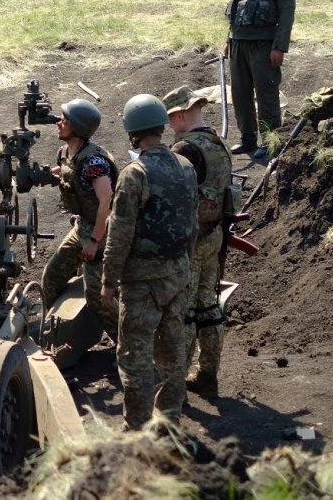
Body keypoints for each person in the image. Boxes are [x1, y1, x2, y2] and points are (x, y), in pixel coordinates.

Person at [100, 94, 198, 430]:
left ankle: (138, 430)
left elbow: (119, 232)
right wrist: (187, 266)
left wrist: (109, 281)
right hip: (178, 274)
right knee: (174, 353)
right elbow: (192, 223)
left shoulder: (134, 173)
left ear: (132, 132)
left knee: (135, 358)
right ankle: (169, 422)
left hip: (141, 282)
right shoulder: (185, 166)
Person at [163, 85, 233, 398]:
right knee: (209, 305)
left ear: (178, 115)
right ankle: (208, 374)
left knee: (184, 310)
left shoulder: (185, 149)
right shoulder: (219, 143)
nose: (168, 126)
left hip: (190, 239)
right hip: (215, 233)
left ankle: (175, 380)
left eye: (169, 119)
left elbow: (171, 198)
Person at [39, 98, 120, 341]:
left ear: (79, 128)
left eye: (66, 119)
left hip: (102, 232)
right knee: (51, 278)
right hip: (83, 226)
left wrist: (94, 241)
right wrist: (47, 174)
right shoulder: (65, 153)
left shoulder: (94, 162)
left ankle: (128, 347)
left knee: (98, 296)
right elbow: (68, 172)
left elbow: (106, 201)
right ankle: (59, 334)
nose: (59, 122)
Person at [224, 0, 296, 163]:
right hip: (239, 43)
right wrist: (229, 40)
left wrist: (279, 47)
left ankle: (270, 140)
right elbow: (236, 12)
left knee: (266, 93)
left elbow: (286, 15)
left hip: (264, 45)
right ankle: (247, 138)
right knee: (240, 92)